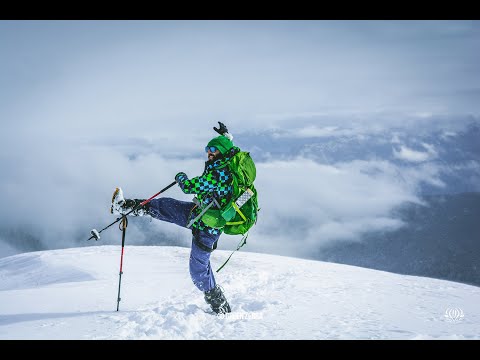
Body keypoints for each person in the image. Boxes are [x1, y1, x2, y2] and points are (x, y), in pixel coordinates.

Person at [110, 122, 238, 314]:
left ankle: (220, 307)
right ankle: (125, 207)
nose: (209, 152)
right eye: (208, 149)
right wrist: (226, 136)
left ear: (222, 152)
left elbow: (188, 186)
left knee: (198, 272)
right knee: (165, 206)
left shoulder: (218, 175)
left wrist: (180, 177)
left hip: (207, 228)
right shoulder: (230, 159)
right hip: (201, 213)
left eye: (214, 149)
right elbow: (230, 148)